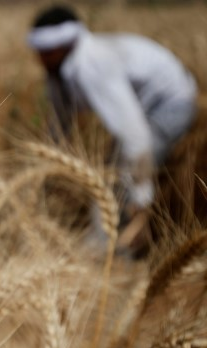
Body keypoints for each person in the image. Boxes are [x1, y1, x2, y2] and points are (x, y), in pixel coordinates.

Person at [26, 4, 198, 257]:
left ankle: (112, 257)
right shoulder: (58, 70)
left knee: (116, 184)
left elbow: (135, 134)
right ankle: (112, 249)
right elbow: (61, 123)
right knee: (113, 177)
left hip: (170, 105)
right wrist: (44, 172)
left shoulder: (93, 66)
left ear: (59, 47)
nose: (37, 58)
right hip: (144, 110)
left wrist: (141, 192)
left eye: (43, 51)